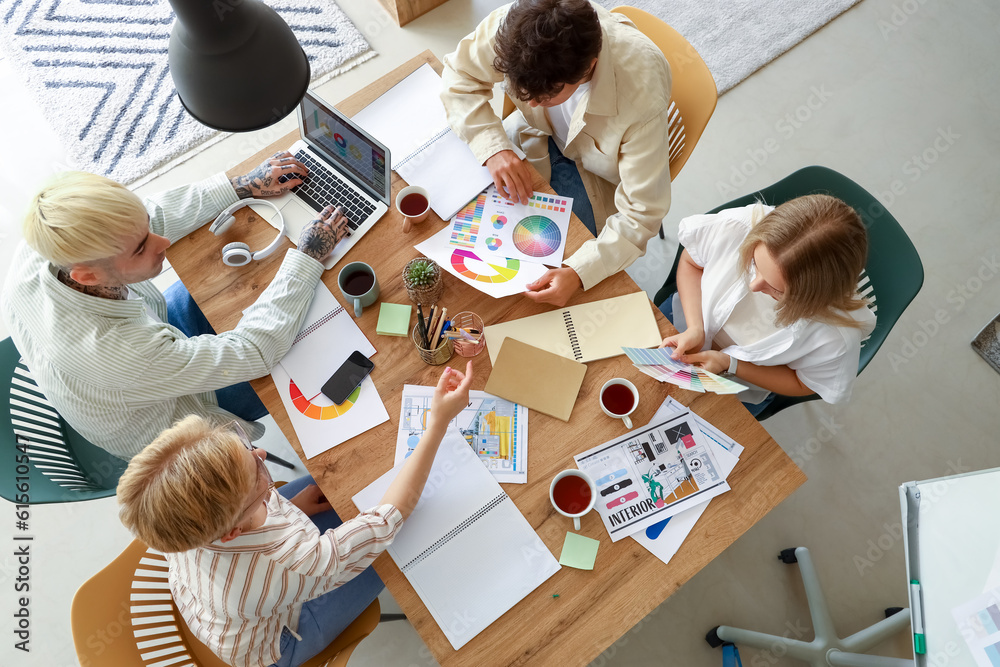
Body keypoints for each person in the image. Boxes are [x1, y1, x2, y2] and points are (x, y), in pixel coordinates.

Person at [116, 362, 474, 667]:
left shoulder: (175, 514)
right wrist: (438, 423)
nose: (263, 457)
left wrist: (293, 506)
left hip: (213, 598)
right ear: (232, 530)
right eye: (256, 477)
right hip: (280, 641)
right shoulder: (291, 562)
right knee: (401, 545)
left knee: (328, 484)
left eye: (244, 445)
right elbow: (388, 520)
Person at [1, 152, 349, 460]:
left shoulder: (47, 243)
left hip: (145, 350)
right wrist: (306, 258)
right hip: (183, 420)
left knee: (248, 281)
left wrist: (243, 185)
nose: (162, 241)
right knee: (322, 350)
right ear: (88, 276)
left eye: (148, 228)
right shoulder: (120, 356)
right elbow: (256, 352)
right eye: (141, 248)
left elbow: (144, 220)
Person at [441, 0, 672, 307]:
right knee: (464, 202)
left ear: (588, 67)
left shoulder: (642, 96)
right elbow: (459, 74)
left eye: (546, 96)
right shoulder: (519, 26)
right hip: (537, 135)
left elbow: (642, 215)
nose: (532, 104)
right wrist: (493, 147)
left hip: (595, 175)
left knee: (543, 271)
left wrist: (578, 273)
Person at [660, 195, 876, 416]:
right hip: (681, 320)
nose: (753, 285)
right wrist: (696, 327)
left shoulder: (837, 336)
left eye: (777, 290)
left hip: (738, 382)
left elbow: (804, 384)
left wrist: (729, 364)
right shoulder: (739, 226)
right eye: (754, 262)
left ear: (812, 299)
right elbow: (691, 262)